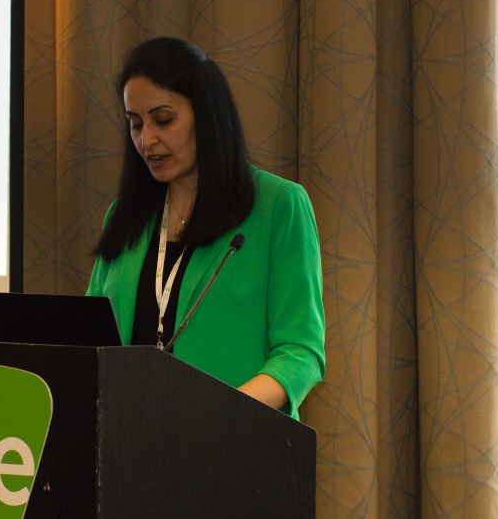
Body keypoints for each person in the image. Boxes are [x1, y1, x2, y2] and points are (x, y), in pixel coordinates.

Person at [86, 37, 325, 419]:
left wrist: (221, 414)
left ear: (207, 114)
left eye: (163, 120)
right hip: (130, 436)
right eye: (135, 124)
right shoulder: (125, 217)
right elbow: (91, 342)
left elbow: (301, 352)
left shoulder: (278, 206)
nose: (147, 140)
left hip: (232, 440)